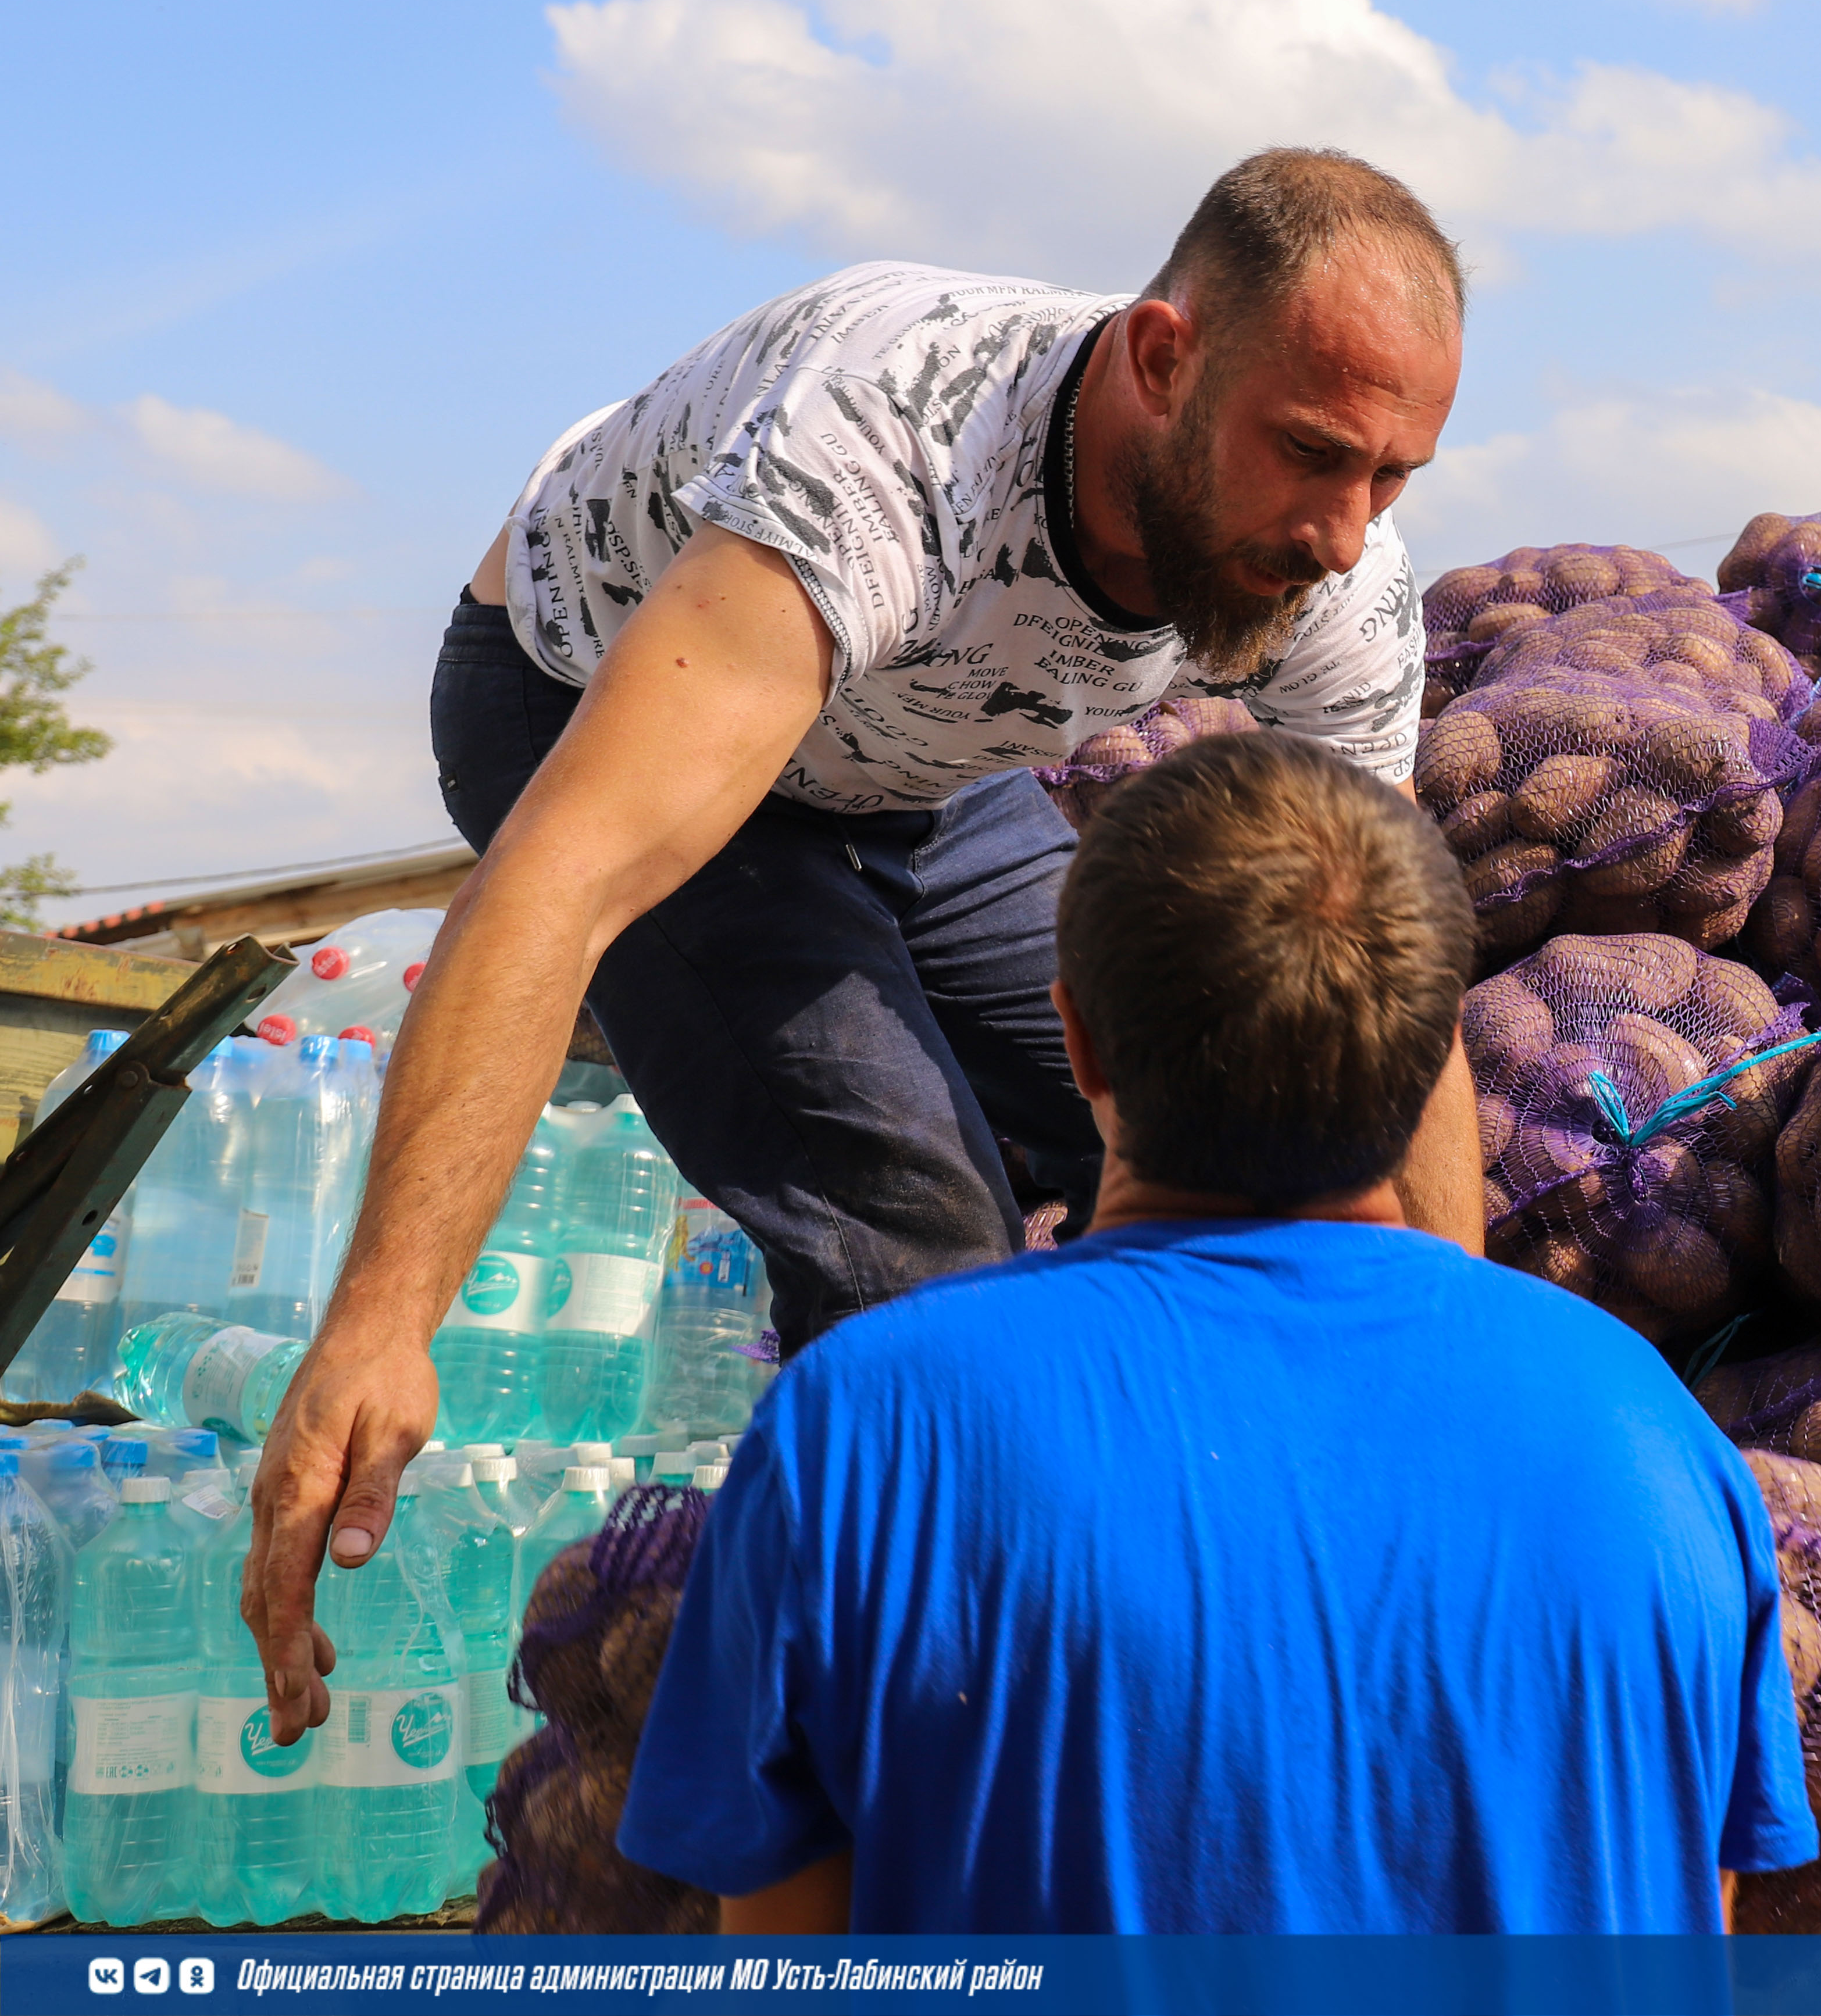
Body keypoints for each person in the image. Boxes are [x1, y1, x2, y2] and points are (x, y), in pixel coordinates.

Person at [244, 149, 1485, 1744]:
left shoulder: (1341, 580)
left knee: (1227, 1084)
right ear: (1162, 359)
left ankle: (1195, 1553)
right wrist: (380, 1321)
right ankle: (931, 1740)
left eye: (1394, 477)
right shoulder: (894, 447)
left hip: (919, 770)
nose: (1341, 528)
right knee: (919, 1240)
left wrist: (1455, 1377)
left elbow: (1387, 992)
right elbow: (556, 879)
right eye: (1311, 455)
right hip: (588, 702)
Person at [615, 732, 1817, 1931]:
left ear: (1075, 1037)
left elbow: (784, 1943)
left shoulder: (865, 1422)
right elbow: (1693, 1916)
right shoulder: (1649, 1426)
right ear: (1430, 1058)